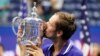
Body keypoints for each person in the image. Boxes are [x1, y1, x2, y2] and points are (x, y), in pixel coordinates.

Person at [17, 12, 83, 56]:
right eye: (48, 21)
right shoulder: (45, 50)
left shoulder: (75, 54)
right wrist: (23, 50)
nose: (45, 24)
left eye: (50, 24)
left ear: (59, 33)